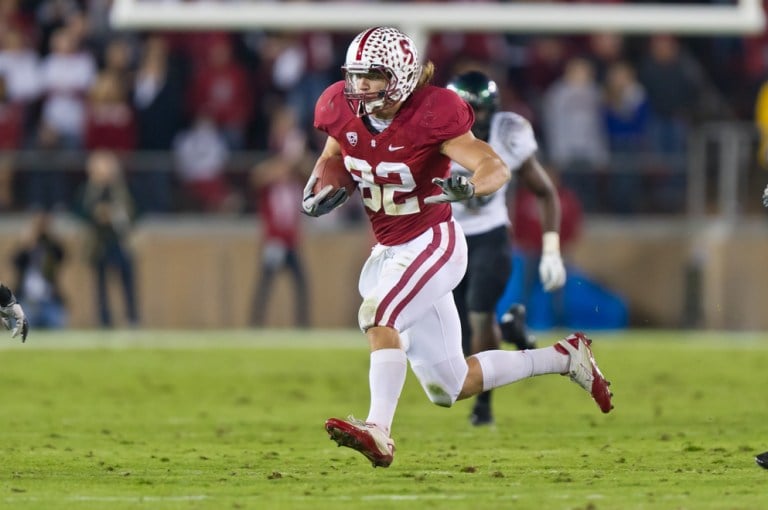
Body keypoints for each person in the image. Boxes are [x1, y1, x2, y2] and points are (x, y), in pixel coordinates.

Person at [302, 26, 613, 468]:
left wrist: (469, 186)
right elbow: (333, 154)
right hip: (389, 249)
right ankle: (565, 358)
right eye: (356, 75)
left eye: (373, 74)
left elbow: (494, 165)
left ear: (403, 75)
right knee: (449, 385)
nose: (362, 85)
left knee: (378, 316)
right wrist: (317, 185)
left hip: (432, 242)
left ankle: (379, 430)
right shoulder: (338, 105)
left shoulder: (433, 111)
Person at [445, 70, 566, 426]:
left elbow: (545, 192)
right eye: (464, 110)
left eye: (477, 110)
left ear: (492, 110)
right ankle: (514, 332)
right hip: (447, 240)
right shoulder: (435, 135)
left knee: (479, 314)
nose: (471, 119)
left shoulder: (509, 133)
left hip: (490, 236)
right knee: (461, 334)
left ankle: (484, 407)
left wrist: (551, 249)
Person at [76, 150, 139, 327]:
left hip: (119, 241)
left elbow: (134, 213)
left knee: (127, 280)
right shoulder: (89, 190)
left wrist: (114, 215)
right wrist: (95, 214)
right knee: (100, 284)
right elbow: (79, 212)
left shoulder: (122, 189)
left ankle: (132, 318)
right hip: (98, 243)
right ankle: (104, 320)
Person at [12, 210, 68, 329]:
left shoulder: (50, 250)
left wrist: (51, 235)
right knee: (21, 331)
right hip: (27, 302)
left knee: (58, 326)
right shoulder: (26, 253)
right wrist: (26, 243)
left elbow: (61, 255)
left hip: (49, 301)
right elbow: (15, 262)